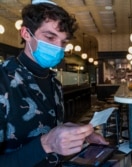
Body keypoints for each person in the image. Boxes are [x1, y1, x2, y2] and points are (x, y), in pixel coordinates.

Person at [0, 1, 108, 166]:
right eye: (50, 37)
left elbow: (48, 127)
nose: (58, 47)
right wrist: (46, 144)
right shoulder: (3, 81)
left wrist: (78, 135)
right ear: (26, 33)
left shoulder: (54, 83)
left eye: (64, 42)